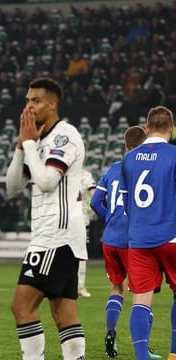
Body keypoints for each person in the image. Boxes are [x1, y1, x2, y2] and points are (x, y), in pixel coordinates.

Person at [5, 77, 87, 359]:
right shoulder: (37, 140)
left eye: (36, 101)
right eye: (27, 101)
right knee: (64, 313)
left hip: (56, 236)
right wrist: (21, 146)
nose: (29, 106)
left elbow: (47, 182)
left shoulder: (65, 137)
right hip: (52, 236)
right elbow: (13, 186)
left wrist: (29, 146)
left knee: (21, 306)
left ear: (53, 104)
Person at [91, 125, 162, 359]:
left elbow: (95, 202)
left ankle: (110, 332)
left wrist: (110, 217)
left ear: (125, 146)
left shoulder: (112, 169)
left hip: (110, 239)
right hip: (135, 240)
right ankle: (145, 348)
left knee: (117, 288)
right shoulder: (148, 170)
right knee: (143, 293)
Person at [120, 106, 176, 360]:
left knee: (141, 299)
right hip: (171, 236)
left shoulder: (129, 158)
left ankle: (142, 357)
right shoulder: (174, 155)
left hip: (139, 238)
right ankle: (175, 353)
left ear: (146, 128)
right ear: (172, 129)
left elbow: (127, 200)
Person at [77, 169, 96, 298]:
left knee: (81, 255)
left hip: (80, 220)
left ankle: (80, 286)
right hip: (63, 220)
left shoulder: (85, 175)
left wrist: (94, 206)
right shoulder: (59, 171)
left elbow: (93, 193)